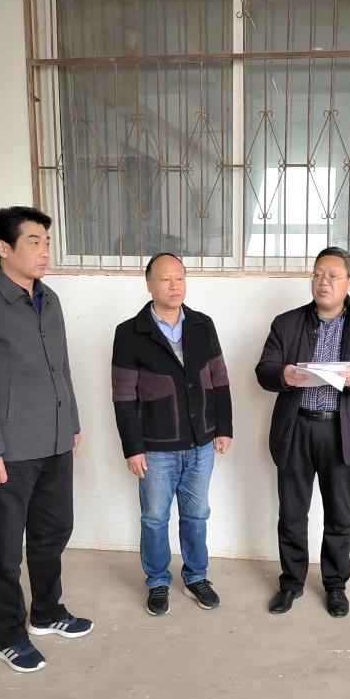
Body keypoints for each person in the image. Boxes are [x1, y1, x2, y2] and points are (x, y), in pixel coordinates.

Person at [0, 206, 91, 673]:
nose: (45, 250)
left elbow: (62, 367)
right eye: (34, 241)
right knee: (6, 547)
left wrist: (71, 422)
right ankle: (7, 634)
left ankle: (46, 612)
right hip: (8, 450)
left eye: (46, 241)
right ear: (2, 248)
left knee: (54, 532)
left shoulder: (48, 299)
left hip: (55, 440)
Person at [255, 246, 350, 617]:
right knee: (292, 513)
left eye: (332, 275)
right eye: (317, 274)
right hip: (296, 428)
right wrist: (282, 374)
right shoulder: (286, 323)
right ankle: (291, 583)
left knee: (339, 515)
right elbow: (263, 370)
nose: (323, 282)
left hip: (341, 432)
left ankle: (335, 585)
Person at [111, 252, 233, 615]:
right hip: (156, 448)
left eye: (180, 278)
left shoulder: (202, 325)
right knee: (154, 518)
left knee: (197, 515)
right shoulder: (129, 333)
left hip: (201, 444)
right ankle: (157, 581)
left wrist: (224, 428)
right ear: (149, 284)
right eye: (165, 279)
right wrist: (132, 448)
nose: (174, 285)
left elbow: (220, 380)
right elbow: (123, 397)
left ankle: (196, 577)